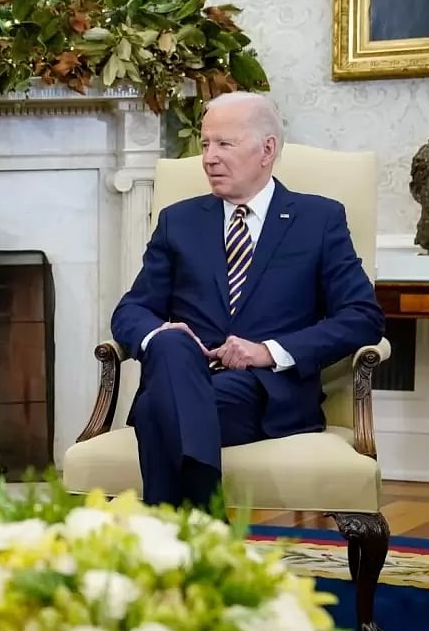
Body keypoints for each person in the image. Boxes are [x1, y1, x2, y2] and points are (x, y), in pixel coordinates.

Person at [111, 91, 385, 510]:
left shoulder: (319, 219)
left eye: (224, 144)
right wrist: (159, 333)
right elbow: (131, 310)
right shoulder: (178, 221)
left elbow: (362, 317)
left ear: (267, 149)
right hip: (188, 373)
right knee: (168, 345)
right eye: (205, 144)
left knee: (156, 412)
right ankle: (203, 533)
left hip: (266, 391)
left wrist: (267, 352)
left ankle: (178, 532)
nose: (208, 158)